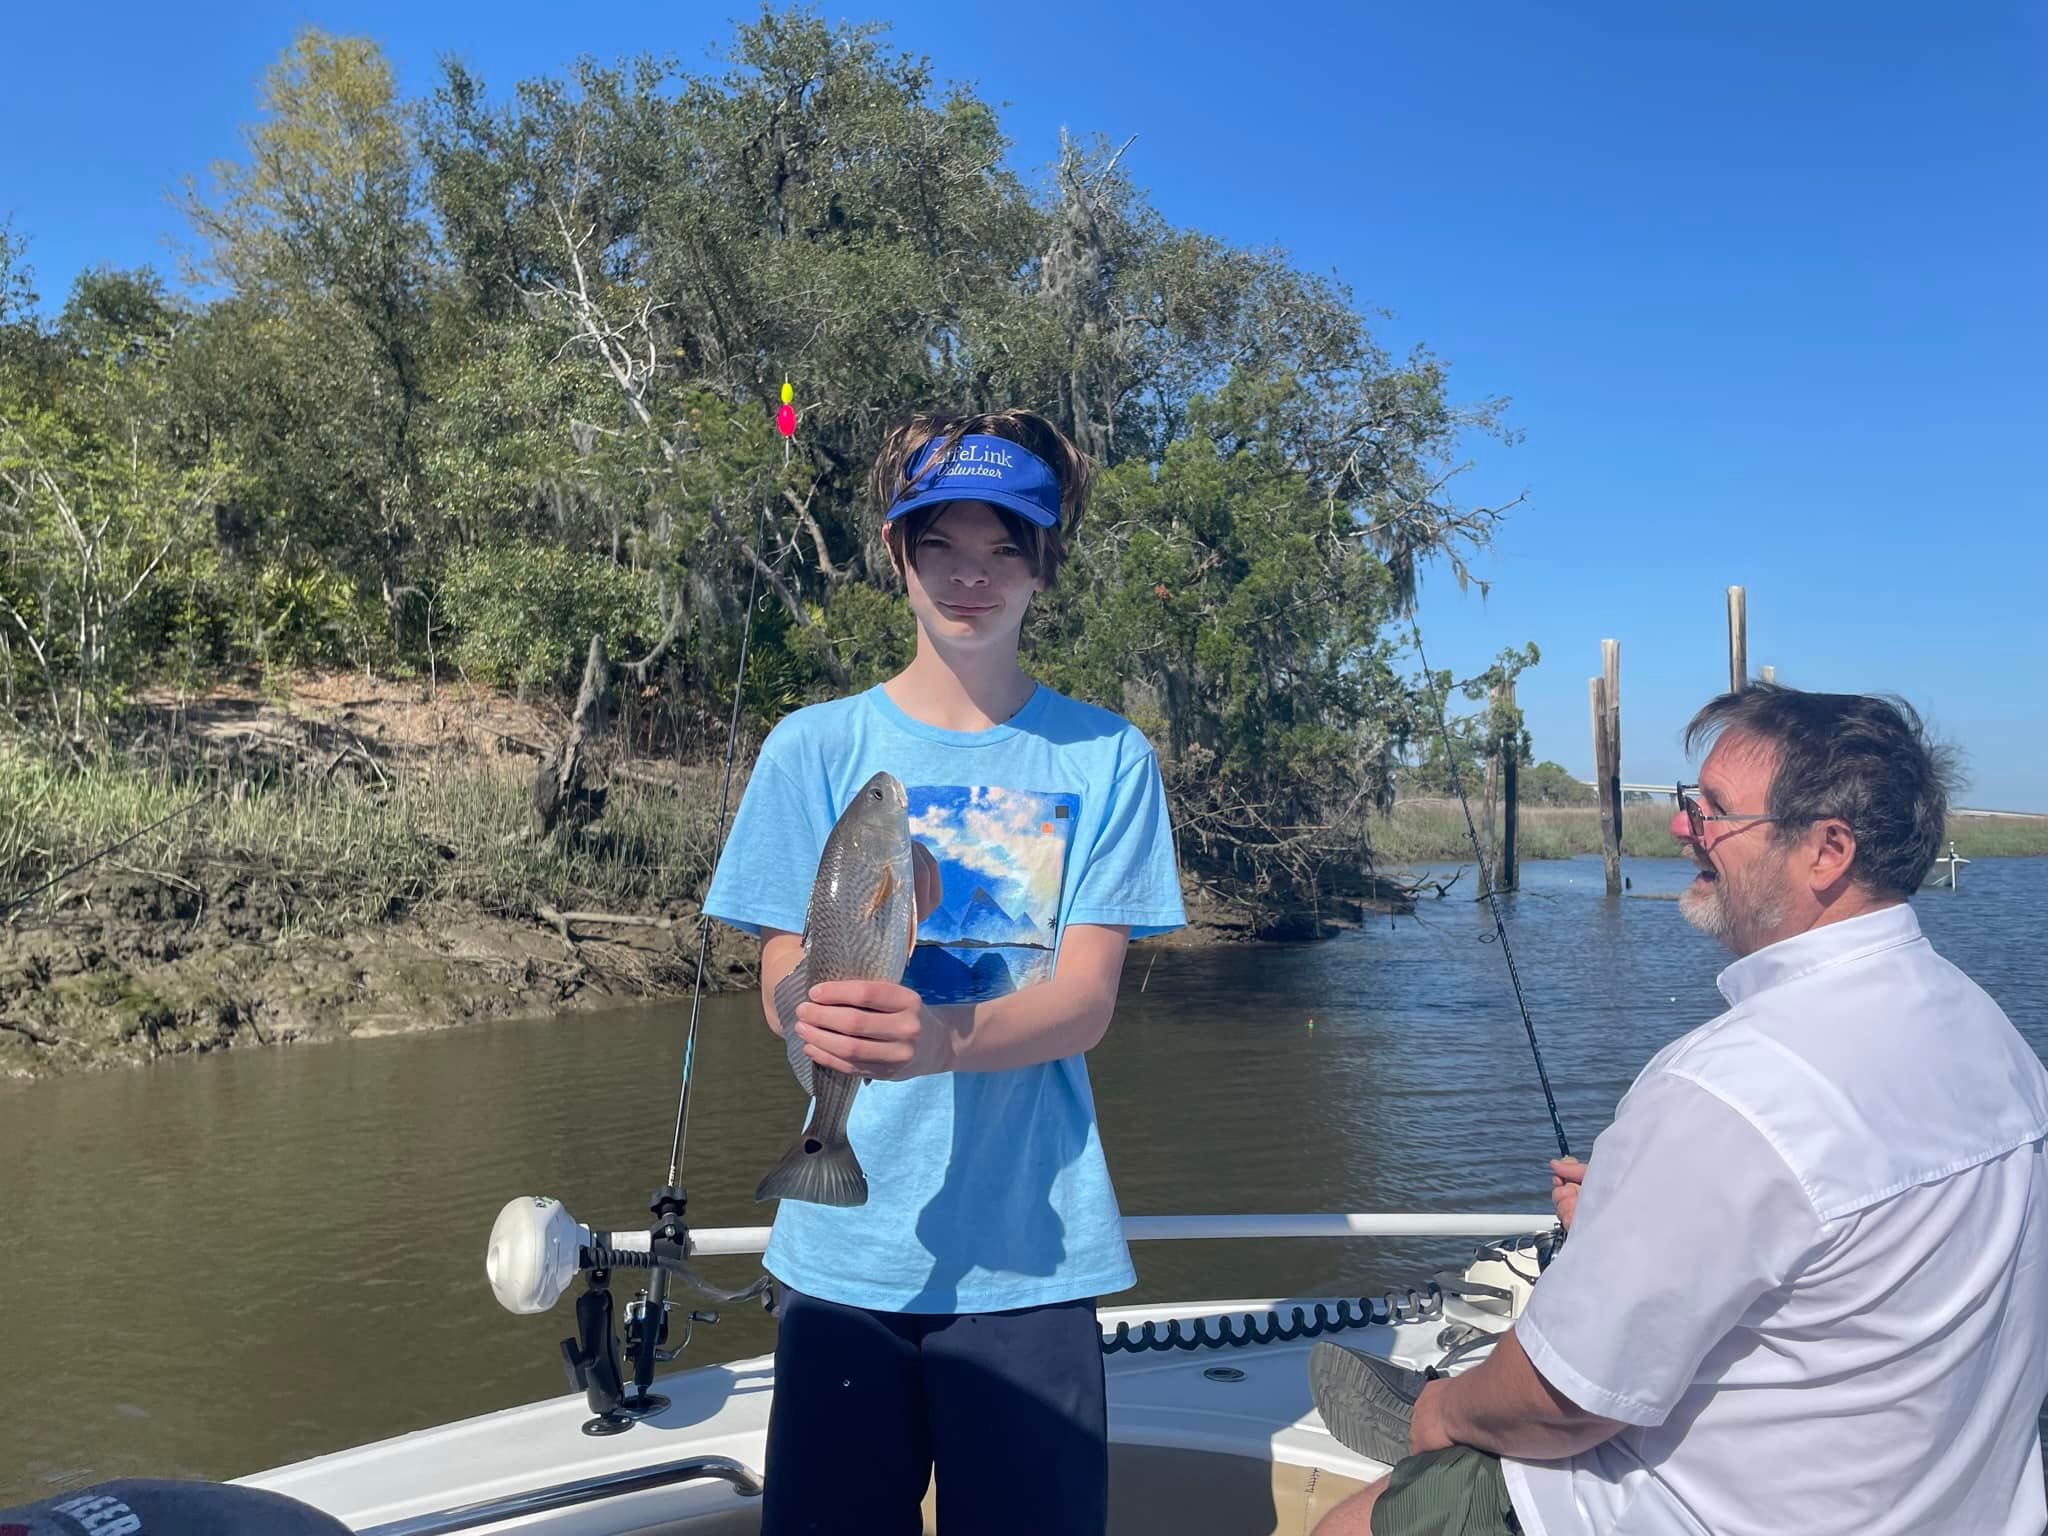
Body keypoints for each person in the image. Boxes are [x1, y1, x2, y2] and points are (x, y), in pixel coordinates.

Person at [1311, 684, 2048, 1535]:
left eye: (1714, 810)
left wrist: (1434, 1418)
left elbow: (1565, 1403)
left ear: (1826, 851)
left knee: (1348, 1524)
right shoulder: (1994, 1040)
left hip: (1702, 1512)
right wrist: (1628, 1218)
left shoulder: (1729, 1088)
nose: (1679, 826)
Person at [703, 407, 1185, 1535]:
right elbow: (780, 962)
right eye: (940, 548)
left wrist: (936, 1041)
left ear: (1042, 563)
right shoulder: (811, 746)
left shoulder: (1105, 754)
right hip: (840, 1264)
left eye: (1002, 548)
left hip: (1032, 1257)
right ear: (895, 555)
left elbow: (1082, 1002)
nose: (970, 577)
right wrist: (805, 1018)